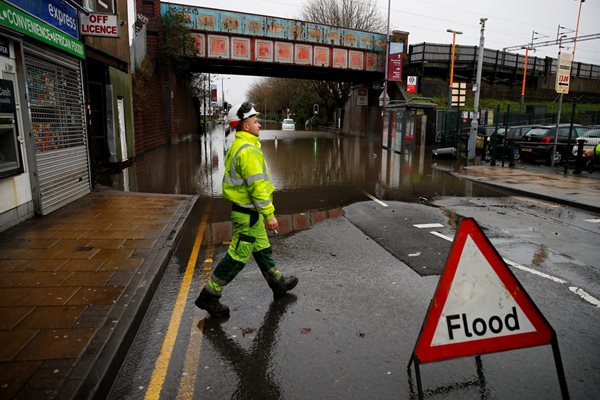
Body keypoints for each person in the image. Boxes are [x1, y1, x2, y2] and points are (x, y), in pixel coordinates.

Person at [195, 101, 298, 318]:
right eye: (255, 121)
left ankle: (277, 284)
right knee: (237, 256)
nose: (259, 124)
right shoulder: (248, 151)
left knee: (262, 249)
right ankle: (210, 295)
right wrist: (269, 215)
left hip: (250, 213)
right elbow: (257, 188)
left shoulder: (240, 145)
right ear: (245, 126)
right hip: (248, 214)